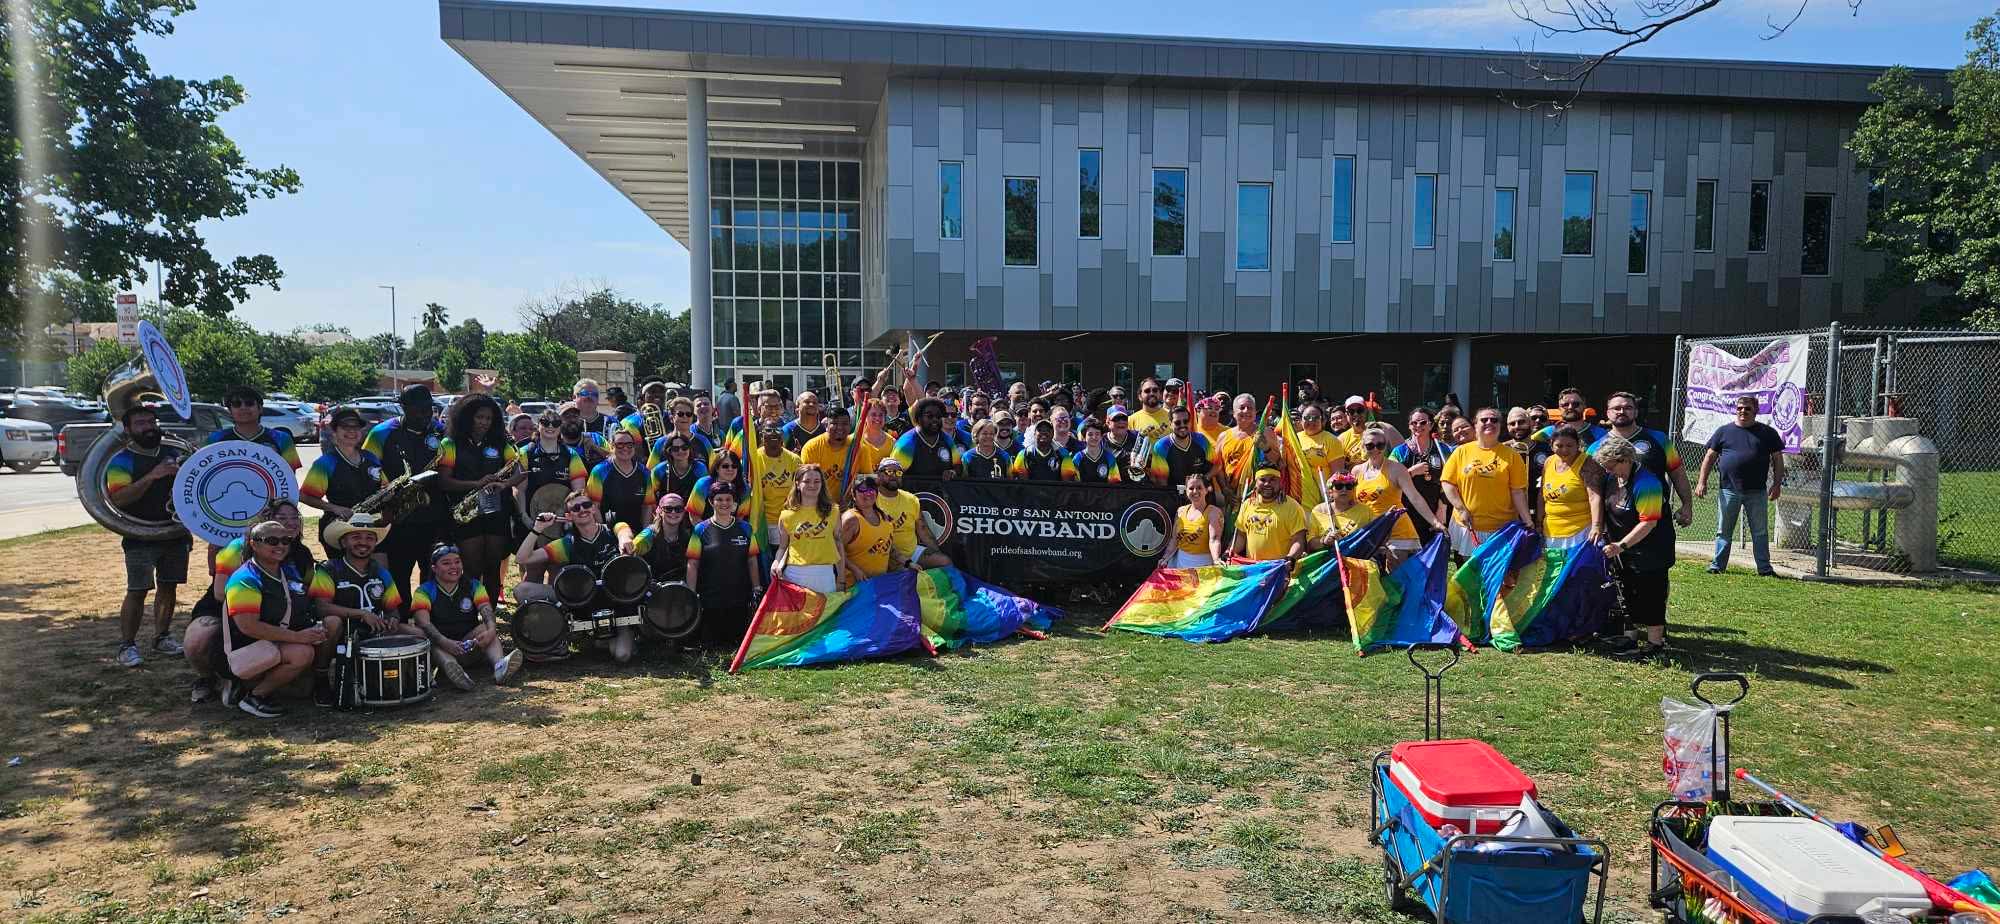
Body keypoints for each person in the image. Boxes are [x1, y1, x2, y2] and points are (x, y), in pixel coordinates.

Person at [104, 403, 192, 667]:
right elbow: (119, 498)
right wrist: (153, 476)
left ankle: (161, 637)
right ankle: (127, 645)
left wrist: (185, 474)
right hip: (139, 535)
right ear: (128, 429)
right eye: (140, 423)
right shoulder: (121, 460)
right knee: (138, 589)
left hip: (174, 533)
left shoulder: (174, 452)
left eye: (151, 422)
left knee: (169, 586)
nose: (148, 427)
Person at [219, 520, 326, 718]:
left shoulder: (287, 570)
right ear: (254, 544)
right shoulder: (244, 579)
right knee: (302, 653)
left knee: (303, 687)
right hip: (248, 647)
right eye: (272, 540)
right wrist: (299, 637)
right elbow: (249, 627)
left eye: (286, 540)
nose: (280, 546)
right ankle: (253, 695)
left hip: (275, 641)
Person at [308, 516, 419, 705]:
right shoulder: (328, 569)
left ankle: (417, 677)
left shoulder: (382, 571)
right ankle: (321, 678)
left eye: (369, 538)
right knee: (331, 623)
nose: (363, 542)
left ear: (375, 543)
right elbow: (321, 607)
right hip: (342, 634)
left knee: (418, 633)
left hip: (373, 631)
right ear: (343, 542)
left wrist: (392, 619)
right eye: (356, 537)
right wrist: (361, 614)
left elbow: (393, 609)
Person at [514, 493, 635, 662]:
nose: (582, 510)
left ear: (593, 508)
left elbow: (624, 530)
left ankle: (615, 634)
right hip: (580, 601)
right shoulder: (566, 544)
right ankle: (560, 636)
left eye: (586, 505)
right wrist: (538, 529)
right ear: (569, 516)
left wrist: (624, 539)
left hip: (616, 603)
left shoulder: (612, 531)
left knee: (622, 655)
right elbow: (522, 558)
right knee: (523, 590)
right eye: (576, 508)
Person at [435, 395, 526, 603]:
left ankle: (490, 616)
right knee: (471, 567)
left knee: (492, 567)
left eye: (489, 418)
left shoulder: (501, 443)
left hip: (496, 512)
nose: (484, 422)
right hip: (465, 514)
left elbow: (520, 472)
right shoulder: (450, 443)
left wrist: (504, 484)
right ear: (467, 418)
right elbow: (443, 481)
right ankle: (469, 612)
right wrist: (476, 484)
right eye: (480, 417)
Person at [363, 384, 449, 603]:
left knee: (431, 571)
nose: (426, 414)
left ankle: (428, 613)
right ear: (403, 408)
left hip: (434, 514)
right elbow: (367, 470)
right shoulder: (381, 433)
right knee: (400, 572)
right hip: (398, 516)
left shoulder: (439, 431)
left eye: (429, 408)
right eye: (419, 410)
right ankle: (402, 619)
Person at [1594, 434, 1674, 659]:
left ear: (1624, 459)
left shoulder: (1647, 483)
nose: (1608, 471)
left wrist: (1622, 544)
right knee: (1626, 591)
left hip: (1651, 549)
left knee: (1651, 594)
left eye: (1610, 466)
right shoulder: (1613, 478)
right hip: (1622, 549)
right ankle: (1629, 637)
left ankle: (1655, 644)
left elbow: (1649, 522)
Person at [1694, 394, 1785, 576]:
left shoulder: (1768, 433)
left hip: (1757, 491)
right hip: (1728, 490)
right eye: (1739, 408)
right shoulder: (1724, 432)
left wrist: (1776, 484)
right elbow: (1709, 457)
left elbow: (1777, 460)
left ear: (1756, 411)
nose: (1743, 411)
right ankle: (1718, 566)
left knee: (1759, 532)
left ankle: (1764, 569)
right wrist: (1701, 481)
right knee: (1723, 531)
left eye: (1747, 408)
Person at [412, 544, 521, 689]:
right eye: (446, 563)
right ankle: (456, 672)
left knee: (486, 627)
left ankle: (500, 666)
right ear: (434, 568)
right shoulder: (423, 591)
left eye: (457, 561)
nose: (454, 567)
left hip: (468, 643)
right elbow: (423, 623)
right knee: (428, 638)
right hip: (442, 645)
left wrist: (492, 631)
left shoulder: (473, 585)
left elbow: (486, 609)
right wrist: (445, 642)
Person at [1440, 407, 1532, 556]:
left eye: (1494, 420)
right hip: (1468, 525)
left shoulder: (1512, 456)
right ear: (1475, 425)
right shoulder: (1461, 452)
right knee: (1471, 573)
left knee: (1501, 576)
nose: (1489, 423)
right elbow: (1447, 483)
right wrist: (1460, 508)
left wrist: (1528, 521)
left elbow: (1517, 492)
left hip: (1502, 527)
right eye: (1484, 420)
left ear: (1500, 426)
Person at [1598, 391, 1695, 532]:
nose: (1622, 411)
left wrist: (1687, 505)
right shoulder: (1596, 447)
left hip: (1656, 520)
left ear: (1636, 412)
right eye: (1616, 408)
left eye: (1628, 408)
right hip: (1614, 524)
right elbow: (1592, 488)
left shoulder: (1659, 439)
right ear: (1608, 413)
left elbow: (1677, 473)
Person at [1353, 426, 1445, 568]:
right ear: (1363, 447)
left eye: (1380, 445)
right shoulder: (1357, 471)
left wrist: (1435, 522)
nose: (1376, 449)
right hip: (1370, 531)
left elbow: (1415, 498)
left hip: (1397, 531)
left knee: (1397, 581)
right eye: (1370, 445)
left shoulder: (1396, 469)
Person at [684, 482, 762, 647]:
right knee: (711, 643)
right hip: (710, 599)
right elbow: (693, 563)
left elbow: (752, 560)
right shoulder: (700, 529)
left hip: (739, 598)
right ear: (711, 502)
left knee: (736, 642)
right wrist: (691, 593)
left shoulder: (746, 528)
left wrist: (756, 588)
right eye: (719, 499)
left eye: (728, 499)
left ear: (734, 502)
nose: (724, 503)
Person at [774, 464, 845, 593]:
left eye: (817, 481)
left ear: (822, 484)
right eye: (807, 481)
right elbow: (783, 547)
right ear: (797, 484)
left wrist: (841, 578)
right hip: (795, 575)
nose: (812, 485)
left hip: (825, 575)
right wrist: (776, 562)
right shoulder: (786, 515)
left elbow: (838, 544)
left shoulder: (834, 511)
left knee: (826, 613)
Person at [873, 457, 952, 569]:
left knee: (944, 562)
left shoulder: (911, 499)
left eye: (898, 472)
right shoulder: (871, 498)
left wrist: (936, 552)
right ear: (879, 475)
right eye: (889, 471)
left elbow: (923, 529)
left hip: (912, 552)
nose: (894, 475)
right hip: (882, 554)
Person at [1390, 407, 1451, 546]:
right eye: (1414, 423)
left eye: (1423, 422)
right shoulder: (1399, 451)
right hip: (1406, 510)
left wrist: (1442, 508)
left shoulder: (1443, 449)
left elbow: (1449, 481)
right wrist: (1410, 472)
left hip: (1436, 509)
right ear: (1409, 425)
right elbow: (1390, 481)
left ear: (1430, 424)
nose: (1418, 426)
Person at [1538, 426, 1604, 551]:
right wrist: (1538, 522)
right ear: (1551, 446)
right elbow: (1542, 494)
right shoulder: (1548, 461)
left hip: (1580, 532)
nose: (1564, 450)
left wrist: (1596, 526)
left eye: (1569, 445)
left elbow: (1594, 497)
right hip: (1551, 531)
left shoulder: (1587, 463)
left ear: (1578, 444)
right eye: (1559, 445)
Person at [207, 384, 303, 470]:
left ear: (260, 408)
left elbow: (289, 478)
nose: (243, 407)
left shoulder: (282, 439)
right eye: (237, 404)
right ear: (230, 411)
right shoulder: (215, 440)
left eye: (249, 403)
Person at [587, 427, 656, 536]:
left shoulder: (644, 472)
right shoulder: (599, 471)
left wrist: (644, 534)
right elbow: (594, 506)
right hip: (610, 531)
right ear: (612, 445)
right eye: (620, 444)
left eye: (629, 445)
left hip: (637, 531)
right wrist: (604, 534)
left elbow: (647, 506)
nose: (625, 448)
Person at [1232, 468, 1308, 563]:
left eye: (1272, 480)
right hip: (1254, 570)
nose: (1267, 484)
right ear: (1255, 483)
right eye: (1263, 480)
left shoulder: (1292, 507)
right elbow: (1241, 536)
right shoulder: (1247, 504)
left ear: (1280, 483)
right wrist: (1230, 551)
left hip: (1280, 569)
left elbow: (1299, 539)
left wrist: (1290, 558)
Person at [800, 405, 875, 500]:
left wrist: (852, 495)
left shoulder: (859, 448)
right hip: (819, 503)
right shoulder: (811, 447)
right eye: (834, 423)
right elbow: (807, 482)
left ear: (850, 426)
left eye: (844, 424)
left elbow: (869, 478)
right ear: (826, 425)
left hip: (848, 504)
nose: (839, 427)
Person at [752, 422, 802, 548]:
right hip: (761, 519)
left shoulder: (794, 460)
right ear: (762, 436)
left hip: (786, 517)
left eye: (777, 431)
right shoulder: (754, 458)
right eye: (769, 430)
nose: (773, 433)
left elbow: (800, 491)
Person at [839, 474, 895, 582]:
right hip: (855, 585)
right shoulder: (851, 520)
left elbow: (889, 547)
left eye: (871, 489)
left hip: (878, 582)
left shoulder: (884, 517)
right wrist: (855, 570)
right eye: (862, 490)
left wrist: (908, 562)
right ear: (854, 494)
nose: (868, 493)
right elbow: (836, 551)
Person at [890, 398, 960, 481]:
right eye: (929, 416)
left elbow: (958, 466)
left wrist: (953, 472)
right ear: (919, 418)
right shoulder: (906, 443)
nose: (935, 420)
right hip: (913, 492)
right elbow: (893, 475)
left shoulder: (947, 440)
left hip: (942, 491)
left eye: (938, 416)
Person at [1308, 471, 1377, 553]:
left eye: (1348, 486)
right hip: (1328, 562)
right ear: (1330, 491)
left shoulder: (1365, 511)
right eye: (1339, 486)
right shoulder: (1318, 511)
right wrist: (1324, 541)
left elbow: (1376, 536)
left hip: (1356, 558)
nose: (1344, 489)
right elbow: (1310, 544)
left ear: (1353, 490)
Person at [1169, 472, 1225, 568]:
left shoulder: (1214, 513)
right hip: (1179, 564)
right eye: (1191, 488)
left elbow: (1214, 540)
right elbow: (1174, 539)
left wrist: (1216, 559)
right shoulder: (1180, 511)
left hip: (1203, 566)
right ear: (1186, 491)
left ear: (1206, 490)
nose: (1195, 491)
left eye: (1199, 488)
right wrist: (1165, 558)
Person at [1213, 394, 1263, 499]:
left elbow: (1277, 462)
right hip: (1231, 496)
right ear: (1234, 413)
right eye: (1242, 408)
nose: (1246, 411)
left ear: (1255, 412)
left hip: (1257, 495)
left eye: (1250, 408)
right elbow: (1218, 466)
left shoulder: (1265, 433)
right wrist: (1225, 489)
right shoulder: (1224, 436)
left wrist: (1266, 447)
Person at [1506, 406, 1552, 510]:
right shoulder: (1501, 450)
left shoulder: (1547, 449)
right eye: (1512, 424)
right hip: (1509, 511)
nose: (1517, 426)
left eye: (1521, 422)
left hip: (1540, 508)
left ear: (1530, 424)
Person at [1294, 402, 1348, 490]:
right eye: (1307, 418)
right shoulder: (1295, 438)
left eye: (1316, 418)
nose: (1311, 421)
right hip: (1298, 494)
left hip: (1323, 495)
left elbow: (1338, 475)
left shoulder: (1331, 440)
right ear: (1301, 420)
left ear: (1323, 421)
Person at [688, 450, 750, 520]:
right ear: (717, 468)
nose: (730, 469)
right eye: (725, 466)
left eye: (734, 466)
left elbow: (740, 517)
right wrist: (709, 530)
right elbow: (694, 516)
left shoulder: (744, 488)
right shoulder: (703, 484)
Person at [1535, 388, 1608, 445]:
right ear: (1559, 408)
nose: (1570, 407)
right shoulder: (1545, 434)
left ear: (1584, 406)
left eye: (1575, 404)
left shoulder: (1601, 434)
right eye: (1565, 405)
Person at [650, 432, 708, 504]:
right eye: (675, 449)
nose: (680, 451)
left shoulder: (700, 468)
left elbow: (706, 494)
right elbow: (649, 496)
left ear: (690, 449)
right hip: (669, 511)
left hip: (693, 510)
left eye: (684, 448)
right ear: (669, 451)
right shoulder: (659, 470)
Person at [1010, 419, 1077, 481]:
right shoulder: (1024, 454)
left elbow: (1068, 483)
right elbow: (1020, 483)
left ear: (1053, 434)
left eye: (1048, 430)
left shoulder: (1063, 454)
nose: (1044, 432)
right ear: (1034, 434)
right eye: (1040, 430)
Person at [1073, 418, 1122, 484]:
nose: (1094, 437)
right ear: (1084, 437)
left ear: (1101, 437)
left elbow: (1115, 484)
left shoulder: (1109, 458)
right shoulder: (1077, 458)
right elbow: (1074, 485)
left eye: (1097, 434)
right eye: (1090, 434)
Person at [571, 378, 616, 446]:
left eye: (594, 394)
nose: (589, 397)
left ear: (598, 399)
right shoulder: (566, 422)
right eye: (585, 393)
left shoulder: (611, 422)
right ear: (574, 397)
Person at [1129, 377, 1173, 443]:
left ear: (1160, 394)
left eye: (1155, 390)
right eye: (1147, 391)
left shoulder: (1171, 417)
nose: (1152, 393)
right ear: (1140, 396)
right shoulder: (1131, 420)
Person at [1336, 395, 1371, 464]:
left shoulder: (1376, 433)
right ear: (1346, 415)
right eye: (1351, 411)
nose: (1355, 414)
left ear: (1366, 412)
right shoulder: (1341, 439)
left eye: (1359, 410)